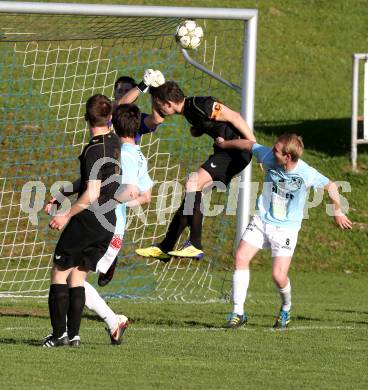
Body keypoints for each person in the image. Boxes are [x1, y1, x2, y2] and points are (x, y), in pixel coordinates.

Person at [214, 133, 352, 329]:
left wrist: (337, 211)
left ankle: (286, 308)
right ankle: (238, 313)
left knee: (278, 276)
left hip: (286, 229)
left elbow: (331, 186)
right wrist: (224, 143)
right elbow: (248, 144)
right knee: (240, 258)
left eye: (277, 150)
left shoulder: (306, 172)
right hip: (262, 219)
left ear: (288, 157)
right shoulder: (269, 157)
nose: (272, 151)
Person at [45, 103, 154, 345]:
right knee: (78, 276)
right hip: (113, 225)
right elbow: (144, 196)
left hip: (98, 218)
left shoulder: (113, 150)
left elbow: (119, 190)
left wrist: (110, 200)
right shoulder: (131, 150)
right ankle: (77, 334)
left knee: (67, 274)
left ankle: (103, 323)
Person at [135, 81, 256, 260]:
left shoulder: (201, 105)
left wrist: (254, 145)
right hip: (226, 152)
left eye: (160, 106)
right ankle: (166, 247)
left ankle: (195, 244)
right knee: (191, 200)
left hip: (236, 152)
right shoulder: (189, 111)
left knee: (193, 183)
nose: (160, 110)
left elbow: (235, 117)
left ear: (169, 103)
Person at [43, 94, 122, 347]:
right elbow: (92, 181)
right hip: (108, 221)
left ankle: (58, 336)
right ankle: (74, 335)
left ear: (86, 118)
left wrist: (66, 214)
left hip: (89, 219)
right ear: (109, 117)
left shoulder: (93, 149)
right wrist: (61, 194)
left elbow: (91, 194)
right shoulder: (114, 141)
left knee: (59, 272)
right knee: (77, 278)